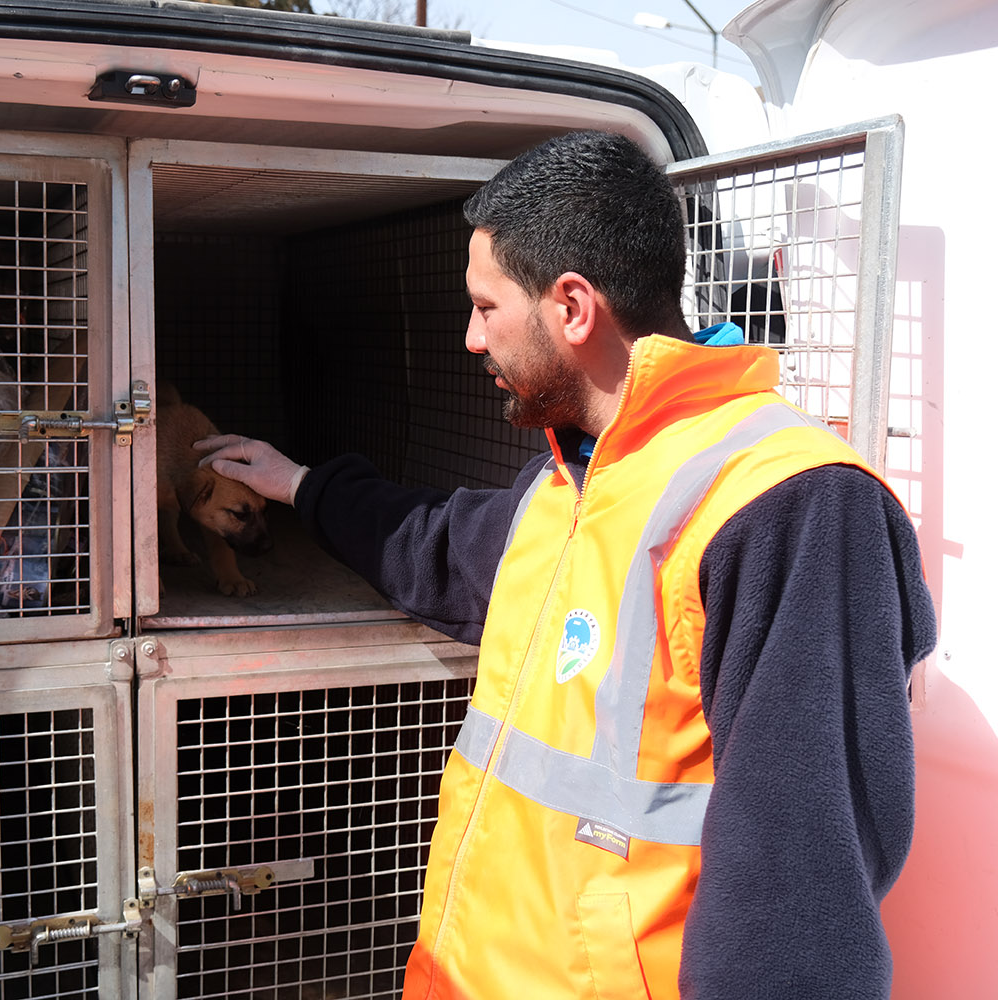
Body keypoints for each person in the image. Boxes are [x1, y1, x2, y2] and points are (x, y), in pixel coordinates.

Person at [196, 131, 936, 1000]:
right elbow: (436, 543)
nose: (471, 338)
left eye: (485, 307)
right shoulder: (574, 478)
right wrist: (302, 486)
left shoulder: (792, 505)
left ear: (572, 308)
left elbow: (799, 899)